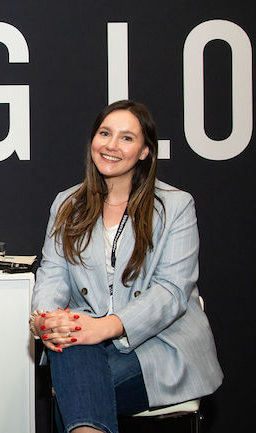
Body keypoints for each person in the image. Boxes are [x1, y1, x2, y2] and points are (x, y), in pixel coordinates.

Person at [30, 100, 223, 433]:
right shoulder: (66, 204)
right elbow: (51, 275)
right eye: (105, 133)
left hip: (161, 345)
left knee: (76, 389)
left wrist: (103, 327)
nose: (111, 145)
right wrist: (47, 319)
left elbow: (171, 292)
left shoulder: (175, 206)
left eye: (126, 138)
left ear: (145, 151)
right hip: (83, 340)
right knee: (72, 350)